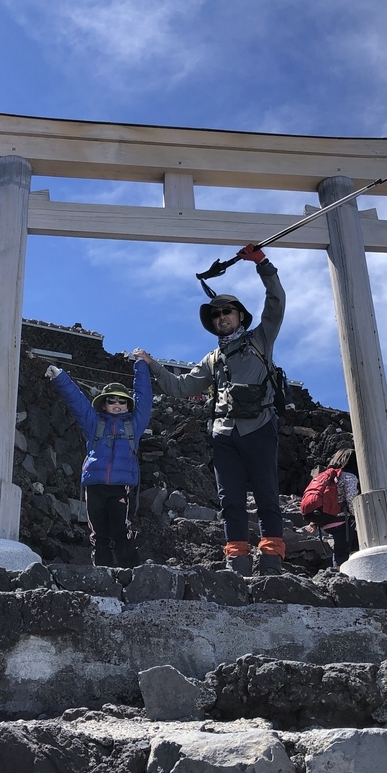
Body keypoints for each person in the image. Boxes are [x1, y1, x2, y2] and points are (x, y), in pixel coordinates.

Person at [132, 244, 285, 576]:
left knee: (267, 495)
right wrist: (152, 364)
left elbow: (275, 303)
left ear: (240, 315)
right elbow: (181, 387)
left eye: (227, 311)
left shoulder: (261, 339)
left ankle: (272, 561)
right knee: (229, 499)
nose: (221, 317)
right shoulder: (212, 360)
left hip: (259, 426)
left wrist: (262, 264)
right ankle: (238, 561)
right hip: (223, 435)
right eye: (216, 315)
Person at [46, 360, 152, 567]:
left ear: (128, 404)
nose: (117, 404)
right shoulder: (94, 423)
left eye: (122, 401)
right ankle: (102, 572)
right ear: (103, 404)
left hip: (120, 489)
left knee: (122, 530)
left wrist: (140, 365)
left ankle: (131, 573)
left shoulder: (135, 425)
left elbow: (145, 397)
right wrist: (60, 377)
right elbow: (77, 401)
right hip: (95, 487)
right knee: (99, 532)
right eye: (111, 400)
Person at [303, 449, 360, 567]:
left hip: (325, 520)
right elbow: (351, 499)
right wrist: (357, 516)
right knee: (343, 551)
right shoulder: (349, 476)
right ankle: (342, 575)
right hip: (341, 521)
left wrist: (314, 522)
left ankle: (347, 571)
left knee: (345, 546)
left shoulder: (324, 476)